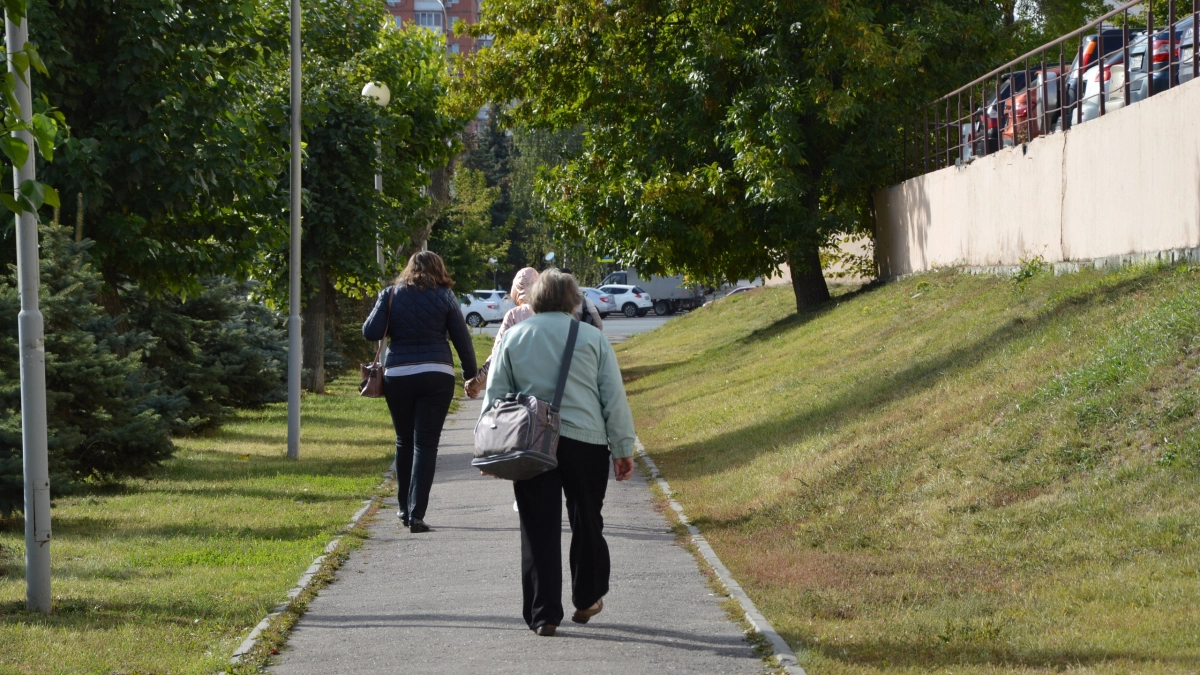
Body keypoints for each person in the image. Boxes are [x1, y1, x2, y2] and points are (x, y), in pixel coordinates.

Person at [479, 268, 637, 636]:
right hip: (587, 442)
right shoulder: (592, 339)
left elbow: (496, 397)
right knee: (587, 519)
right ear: (573, 300)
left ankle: (544, 613)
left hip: (530, 444)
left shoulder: (514, 338)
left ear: (534, 298)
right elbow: (612, 396)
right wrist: (623, 448)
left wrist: (490, 450)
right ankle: (587, 597)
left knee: (537, 525)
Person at [363, 251, 477, 534]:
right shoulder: (446, 297)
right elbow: (462, 339)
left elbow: (370, 331)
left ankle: (402, 507)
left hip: (398, 375)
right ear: (440, 269)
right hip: (437, 374)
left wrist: (385, 306)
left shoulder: (391, 294)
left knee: (404, 441)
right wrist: (470, 375)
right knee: (425, 444)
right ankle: (417, 514)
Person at [464, 266, 539, 399]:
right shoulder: (550, 314)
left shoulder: (515, 314)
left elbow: (497, 353)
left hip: (519, 387)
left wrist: (476, 384)